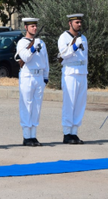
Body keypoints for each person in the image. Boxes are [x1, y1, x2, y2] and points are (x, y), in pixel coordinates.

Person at [15, 18, 49, 146]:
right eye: (32, 26)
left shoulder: (41, 42)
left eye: (35, 26)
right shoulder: (22, 42)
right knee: (26, 105)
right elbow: (25, 57)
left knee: (37, 107)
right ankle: (26, 136)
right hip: (27, 76)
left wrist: (46, 76)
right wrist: (33, 48)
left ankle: (33, 135)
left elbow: (45, 61)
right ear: (26, 28)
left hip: (39, 77)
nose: (34, 28)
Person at [58, 14, 87, 144]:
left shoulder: (83, 38)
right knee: (69, 104)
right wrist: (74, 46)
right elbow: (63, 55)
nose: (79, 25)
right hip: (70, 73)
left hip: (82, 72)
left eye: (80, 22)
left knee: (80, 104)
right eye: (77, 22)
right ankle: (67, 133)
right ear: (70, 23)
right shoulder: (63, 37)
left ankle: (74, 132)